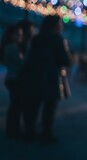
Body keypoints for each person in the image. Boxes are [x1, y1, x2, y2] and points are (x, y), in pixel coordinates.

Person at [23, 15, 71, 143]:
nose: (61, 26)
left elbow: (30, 57)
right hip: (51, 77)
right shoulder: (57, 39)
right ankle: (46, 133)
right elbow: (64, 59)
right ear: (55, 25)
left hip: (34, 76)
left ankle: (30, 131)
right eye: (60, 24)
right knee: (49, 106)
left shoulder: (37, 38)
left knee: (34, 104)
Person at [0, 24, 24, 139]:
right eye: (18, 34)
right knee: (16, 106)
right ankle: (13, 129)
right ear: (11, 35)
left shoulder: (10, 46)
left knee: (15, 106)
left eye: (21, 35)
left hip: (11, 78)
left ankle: (12, 128)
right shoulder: (12, 48)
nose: (20, 37)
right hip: (14, 79)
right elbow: (21, 63)